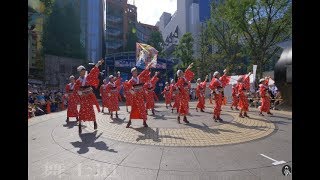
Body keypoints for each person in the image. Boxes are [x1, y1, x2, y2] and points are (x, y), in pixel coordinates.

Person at [75, 59, 103, 134]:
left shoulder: (88, 77)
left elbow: (93, 72)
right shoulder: (78, 81)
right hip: (83, 98)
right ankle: (80, 125)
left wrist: (98, 64)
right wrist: (81, 93)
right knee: (82, 111)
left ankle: (94, 122)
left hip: (88, 97)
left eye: (84, 71)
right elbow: (77, 89)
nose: (83, 72)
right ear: (79, 72)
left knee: (91, 110)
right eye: (82, 71)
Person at [126, 63, 153, 128]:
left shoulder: (139, 78)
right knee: (133, 109)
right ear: (132, 73)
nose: (136, 73)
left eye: (136, 72)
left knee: (142, 109)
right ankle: (129, 121)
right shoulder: (130, 81)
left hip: (140, 97)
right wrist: (132, 91)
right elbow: (128, 88)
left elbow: (143, 73)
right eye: (134, 72)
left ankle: (144, 122)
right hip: (135, 97)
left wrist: (148, 67)